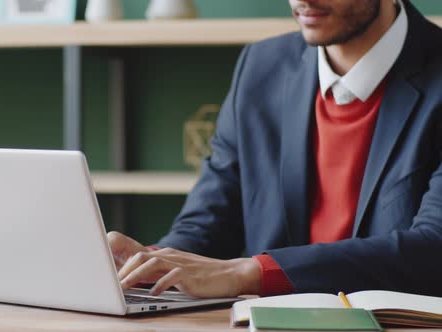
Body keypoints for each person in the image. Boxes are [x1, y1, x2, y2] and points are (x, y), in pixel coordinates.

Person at [108, 0, 442, 298]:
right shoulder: (261, 66)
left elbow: (433, 247)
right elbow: (208, 224)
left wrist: (250, 273)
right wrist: (143, 265)